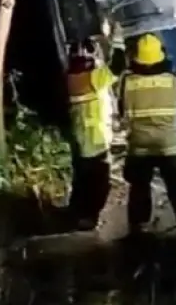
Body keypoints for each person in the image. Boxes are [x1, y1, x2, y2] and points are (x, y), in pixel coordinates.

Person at [119, 33, 176, 236]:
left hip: (139, 145)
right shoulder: (171, 79)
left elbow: (122, 109)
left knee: (139, 188)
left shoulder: (127, 81)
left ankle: (139, 228)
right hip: (169, 145)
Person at [65, 39, 117, 232]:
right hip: (96, 142)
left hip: (80, 141)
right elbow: (117, 66)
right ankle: (88, 218)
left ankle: (76, 214)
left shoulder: (70, 78)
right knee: (98, 185)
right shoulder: (93, 79)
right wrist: (117, 39)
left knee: (82, 182)